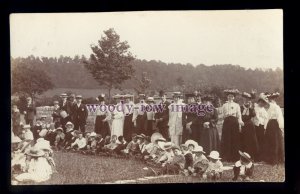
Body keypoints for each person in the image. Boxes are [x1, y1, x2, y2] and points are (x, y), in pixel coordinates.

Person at [258, 93, 284, 165]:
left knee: (275, 141)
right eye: (269, 99)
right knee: (270, 141)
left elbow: (279, 117)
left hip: (275, 124)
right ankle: (269, 158)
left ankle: (275, 159)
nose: (270, 100)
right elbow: (267, 118)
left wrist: (281, 127)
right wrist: (265, 127)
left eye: (272, 99)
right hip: (270, 125)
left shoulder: (276, 107)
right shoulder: (268, 107)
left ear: (274, 99)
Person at [220, 89, 244, 162]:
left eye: (232, 96)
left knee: (234, 138)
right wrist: (224, 118)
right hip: (227, 122)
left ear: (234, 97)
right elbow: (222, 115)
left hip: (234, 122)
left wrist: (240, 122)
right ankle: (226, 156)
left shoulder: (236, 105)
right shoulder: (224, 105)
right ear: (227, 97)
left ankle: (234, 157)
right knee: (227, 138)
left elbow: (239, 115)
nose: (230, 98)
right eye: (229, 96)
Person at [240, 92, 259, 161]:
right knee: (243, 139)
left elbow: (254, 116)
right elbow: (239, 116)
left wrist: (250, 108)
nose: (246, 100)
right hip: (242, 125)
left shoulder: (251, 108)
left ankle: (251, 155)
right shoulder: (241, 107)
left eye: (248, 99)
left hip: (250, 126)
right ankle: (243, 156)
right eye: (245, 99)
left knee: (251, 140)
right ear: (243, 99)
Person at [252, 96, 268, 161]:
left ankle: (260, 157)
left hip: (261, 126)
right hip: (256, 126)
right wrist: (261, 118)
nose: (262, 104)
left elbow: (266, 117)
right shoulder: (255, 108)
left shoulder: (263, 109)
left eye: (263, 103)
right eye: (261, 102)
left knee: (261, 141)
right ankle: (255, 156)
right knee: (256, 141)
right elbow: (256, 116)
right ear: (259, 101)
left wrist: (264, 126)